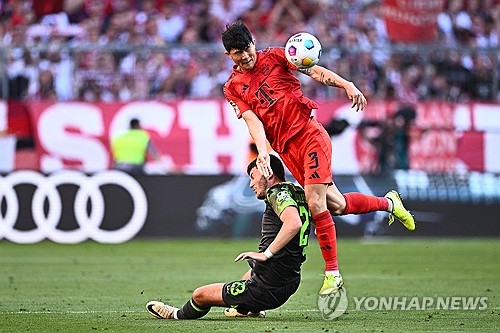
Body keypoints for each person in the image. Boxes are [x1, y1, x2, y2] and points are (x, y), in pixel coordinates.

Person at [221, 21, 415, 296]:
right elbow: (253, 121)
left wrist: (346, 84)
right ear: (229, 55)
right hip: (287, 150)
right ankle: (389, 202)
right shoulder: (232, 87)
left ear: (254, 42)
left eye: (248, 48)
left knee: (314, 202)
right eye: (239, 52)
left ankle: (332, 274)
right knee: (336, 205)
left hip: (309, 135)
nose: (247, 56)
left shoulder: (277, 56)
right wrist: (263, 151)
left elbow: (314, 71)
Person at [146, 154, 311, 319]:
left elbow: (294, 223)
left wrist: (265, 254)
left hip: (268, 287)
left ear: (268, 173)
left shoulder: (276, 193)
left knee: (200, 295)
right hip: (290, 280)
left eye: (253, 177)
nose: (251, 184)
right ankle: (249, 309)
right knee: (249, 274)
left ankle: (176, 315)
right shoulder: (296, 191)